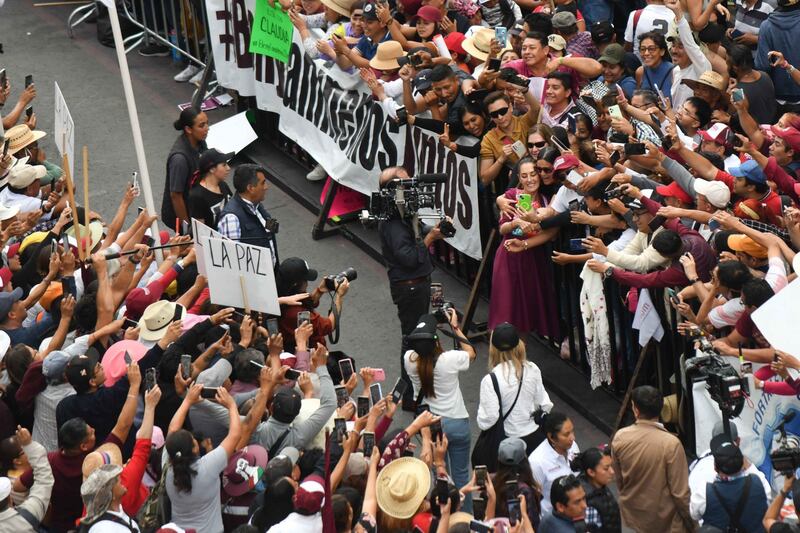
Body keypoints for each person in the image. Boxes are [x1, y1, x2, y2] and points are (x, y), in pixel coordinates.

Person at [376, 166, 447, 409]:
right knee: (412, 339)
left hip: (416, 285)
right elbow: (407, 256)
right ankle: (409, 395)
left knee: (415, 336)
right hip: (410, 288)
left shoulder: (402, 212)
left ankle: (416, 390)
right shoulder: (392, 222)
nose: (413, 187)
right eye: (406, 184)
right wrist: (428, 240)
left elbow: (416, 231)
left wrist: (434, 231)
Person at [488, 158, 560, 337]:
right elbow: (502, 228)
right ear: (519, 178)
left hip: (533, 260)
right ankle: (501, 361)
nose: (530, 180)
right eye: (525, 176)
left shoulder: (547, 201)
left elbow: (551, 233)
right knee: (504, 314)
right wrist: (515, 223)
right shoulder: (512, 196)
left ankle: (519, 360)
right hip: (509, 257)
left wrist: (527, 241)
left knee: (524, 316)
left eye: (533, 174)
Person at [404, 311, 475, 492]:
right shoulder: (449, 359)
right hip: (457, 422)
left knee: (440, 475)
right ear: (436, 340)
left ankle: (443, 512)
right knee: (461, 477)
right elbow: (470, 352)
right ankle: (464, 518)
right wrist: (454, 327)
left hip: (432, 424)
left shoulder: (409, 361)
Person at [611, 385, 693, 532]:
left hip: (636, 517)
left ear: (635, 410)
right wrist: (692, 524)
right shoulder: (670, 444)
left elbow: (620, 480)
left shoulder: (620, 438)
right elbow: (680, 493)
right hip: (667, 521)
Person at [164, 384, 242, 533]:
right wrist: (231, 405)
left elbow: (173, 430)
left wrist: (188, 400)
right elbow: (235, 435)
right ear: (194, 449)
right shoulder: (208, 467)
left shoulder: (169, 468)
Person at [477, 322, 553, 454]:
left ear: (493, 348)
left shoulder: (490, 380)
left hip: (508, 444)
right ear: (519, 345)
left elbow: (488, 420)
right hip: (535, 438)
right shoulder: (532, 368)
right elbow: (544, 404)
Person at [217, 164, 279, 267]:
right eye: (263, 183)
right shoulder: (231, 219)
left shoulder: (257, 205)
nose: (266, 187)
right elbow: (232, 261)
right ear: (250, 188)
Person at [161, 107, 209, 228]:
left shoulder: (200, 142)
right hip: (183, 214)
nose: (207, 128)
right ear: (188, 129)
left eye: (207, 123)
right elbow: (176, 196)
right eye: (202, 125)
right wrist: (188, 227)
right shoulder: (179, 159)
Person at [0, 427, 53, 533]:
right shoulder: (22, 481)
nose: (27, 450)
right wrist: (30, 445)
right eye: (24, 450)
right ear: (17, 461)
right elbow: (43, 481)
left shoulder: (8, 475)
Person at [528, 411, 580, 517]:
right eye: (566, 434)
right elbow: (534, 498)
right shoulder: (537, 462)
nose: (573, 438)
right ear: (551, 437)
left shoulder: (573, 446)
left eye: (572, 431)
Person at [78, 464, 140, 532]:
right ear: (109, 495)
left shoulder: (118, 511)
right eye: (116, 480)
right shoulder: (105, 529)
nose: (120, 479)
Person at [572, 447, 620, 532]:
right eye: (606, 468)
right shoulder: (587, 505)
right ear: (591, 472)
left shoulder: (599, 485)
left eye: (611, 466)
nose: (612, 471)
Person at [188, 148, 233, 228]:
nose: (228, 168)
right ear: (212, 169)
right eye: (224, 165)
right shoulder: (197, 196)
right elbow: (200, 231)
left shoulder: (223, 185)